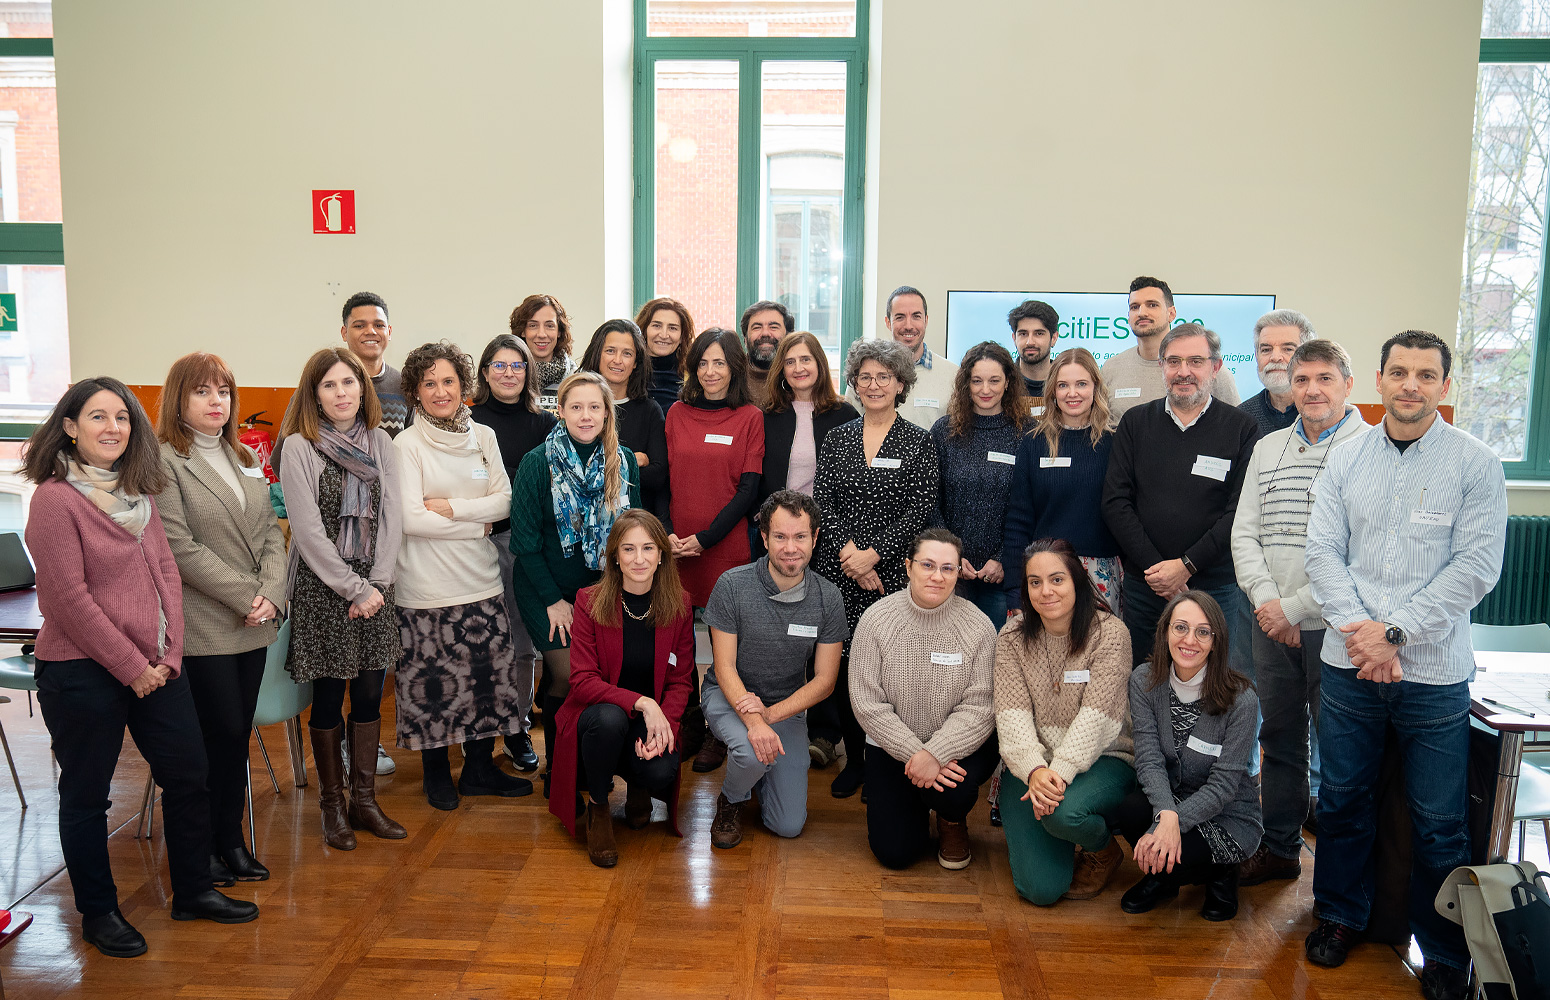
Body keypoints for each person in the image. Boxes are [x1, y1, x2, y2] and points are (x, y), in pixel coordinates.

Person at [1302, 330, 1508, 1000]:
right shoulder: (1346, 457)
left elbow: (1476, 568)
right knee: (1341, 801)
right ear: (1380, 382)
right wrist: (1365, 636)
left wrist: (1395, 633)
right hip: (1348, 665)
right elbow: (1323, 553)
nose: (1411, 385)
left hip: (1434, 673)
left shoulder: (1476, 463)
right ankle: (1338, 915)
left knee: (1439, 821)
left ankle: (1444, 951)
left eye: (1426, 374)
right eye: (1399, 372)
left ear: (1445, 386)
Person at [27, 377, 259, 959]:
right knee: (87, 797)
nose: (113, 428)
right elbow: (67, 601)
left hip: (157, 667)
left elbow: (165, 575)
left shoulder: (140, 493)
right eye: (98, 417)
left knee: (189, 774)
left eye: (123, 418)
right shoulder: (55, 500)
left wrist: (170, 653)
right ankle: (99, 913)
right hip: (82, 671)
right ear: (71, 427)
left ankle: (194, 892)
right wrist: (133, 665)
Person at [1230, 338, 1370, 886]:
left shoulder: (1370, 450)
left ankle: (1338, 879)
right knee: (1280, 741)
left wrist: (1291, 609)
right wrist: (1268, 605)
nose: (1311, 390)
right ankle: (1281, 849)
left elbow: (1361, 554)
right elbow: (1246, 533)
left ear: (1348, 384)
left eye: (1324, 379)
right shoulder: (1268, 449)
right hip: (1272, 626)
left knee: (1340, 752)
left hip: (1339, 629)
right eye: (1302, 379)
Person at [155, 353, 287, 886]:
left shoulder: (244, 457)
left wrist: (272, 593)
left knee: (235, 738)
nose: (217, 402)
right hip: (206, 623)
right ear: (178, 401)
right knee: (219, 733)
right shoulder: (164, 462)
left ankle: (231, 842)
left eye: (224, 392)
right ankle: (204, 847)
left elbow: (269, 536)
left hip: (255, 623)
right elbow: (179, 548)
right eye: (203, 392)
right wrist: (247, 595)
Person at [392, 341, 531, 809]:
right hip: (425, 588)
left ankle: (478, 769)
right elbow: (411, 520)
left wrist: (451, 510)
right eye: (428, 383)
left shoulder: (483, 436)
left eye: (448, 380)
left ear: (463, 386)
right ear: (414, 390)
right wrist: (477, 525)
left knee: (484, 685)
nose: (439, 390)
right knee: (433, 690)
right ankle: (436, 775)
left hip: (482, 581)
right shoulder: (405, 445)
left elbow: (505, 501)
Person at [278, 348, 407, 851]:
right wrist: (353, 589)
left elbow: (393, 517)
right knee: (329, 698)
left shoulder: (381, 441)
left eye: (349, 384)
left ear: (363, 389)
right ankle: (333, 806)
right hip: (323, 588)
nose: (341, 394)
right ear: (314, 394)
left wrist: (376, 585)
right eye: (329, 386)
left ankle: (365, 800)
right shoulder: (299, 446)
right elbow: (307, 533)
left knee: (372, 695)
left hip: (375, 587)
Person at [813, 338, 940, 798]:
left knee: (887, 672)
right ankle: (855, 760)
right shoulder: (838, 437)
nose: (873, 385)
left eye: (883, 377)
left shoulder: (918, 442)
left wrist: (874, 556)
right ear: (854, 382)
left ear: (901, 383)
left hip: (889, 574)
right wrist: (851, 554)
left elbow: (920, 509)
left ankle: (886, 759)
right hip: (838, 569)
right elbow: (822, 499)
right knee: (846, 668)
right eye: (864, 377)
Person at [509, 370, 641, 793]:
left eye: (595, 407)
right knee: (566, 675)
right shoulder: (536, 463)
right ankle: (559, 770)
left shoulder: (622, 461)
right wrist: (553, 600)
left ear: (608, 413)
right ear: (561, 411)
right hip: (543, 587)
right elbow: (525, 544)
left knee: (604, 674)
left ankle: (594, 763)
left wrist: (613, 593)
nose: (586, 416)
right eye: (576, 407)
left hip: (602, 590)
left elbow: (632, 534)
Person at [1101, 323, 1259, 673]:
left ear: (1216, 368)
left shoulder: (1242, 427)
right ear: (1162, 368)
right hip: (1147, 586)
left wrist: (1185, 566)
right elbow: (1115, 501)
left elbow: (1240, 511)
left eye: (1195, 361)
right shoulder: (1135, 422)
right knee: (1145, 678)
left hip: (1215, 585)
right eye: (1173, 361)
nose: (1183, 371)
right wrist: (1158, 570)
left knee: (1216, 682)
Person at [549, 510, 696, 867]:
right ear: (615, 555)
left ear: (662, 554)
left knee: (661, 769)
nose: (639, 559)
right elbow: (583, 682)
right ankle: (599, 807)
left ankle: (640, 785)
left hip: (648, 719)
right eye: (628, 549)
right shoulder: (589, 600)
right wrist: (645, 703)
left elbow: (680, 682)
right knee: (610, 719)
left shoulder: (679, 605)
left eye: (648, 548)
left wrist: (665, 728)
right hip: (596, 714)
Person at [703, 491, 848, 848]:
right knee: (752, 753)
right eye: (780, 537)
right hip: (728, 695)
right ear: (764, 538)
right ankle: (732, 799)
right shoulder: (732, 585)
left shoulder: (828, 598)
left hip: (785, 707)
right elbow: (722, 667)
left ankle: (757, 771)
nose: (790, 548)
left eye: (800, 537)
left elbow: (826, 681)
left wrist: (769, 716)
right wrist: (754, 722)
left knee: (788, 825)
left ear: (815, 538)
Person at [995, 538, 1134, 904]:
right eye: (1034, 582)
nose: (1046, 591)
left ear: (1077, 580)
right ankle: (1059, 836)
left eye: (1057, 579)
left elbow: (1098, 720)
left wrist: (1057, 775)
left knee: (1064, 815)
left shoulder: (1110, 634)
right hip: (1031, 765)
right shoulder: (1011, 637)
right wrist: (1035, 771)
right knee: (1041, 890)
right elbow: (1011, 716)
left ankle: (1104, 850)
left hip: (1104, 759)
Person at [850, 529, 998, 870]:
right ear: (908, 567)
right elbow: (867, 703)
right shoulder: (875, 621)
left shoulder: (978, 626)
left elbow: (980, 706)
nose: (937, 576)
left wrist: (937, 753)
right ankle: (916, 800)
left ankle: (950, 819)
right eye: (927, 565)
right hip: (893, 746)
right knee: (896, 854)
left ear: (959, 572)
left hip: (959, 746)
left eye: (948, 568)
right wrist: (915, 754)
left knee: (952, 792)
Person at [1111, 591, 1261, 922]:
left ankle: (1221, 873)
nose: (1189, 640)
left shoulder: (1242, 700)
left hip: (1228, 815)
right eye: (1180, 628)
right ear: (1165, 632)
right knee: (1131, 811)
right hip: (1174, 801)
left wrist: (1172, 821)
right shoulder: (1145, 681)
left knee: (1175, 850)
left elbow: (1224, 786)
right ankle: (1164, 880)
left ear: (1216, 640)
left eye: (1202, 631)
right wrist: (1166, 813)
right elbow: (1149, 759)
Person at [662, 327, 767, 772]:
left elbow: (748, 491)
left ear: (734, 368)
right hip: (675, 549)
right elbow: (665, 483)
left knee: (727, 647)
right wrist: (667, 533)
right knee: (678, 643)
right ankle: (686, 724)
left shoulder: (749, 418)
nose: (710, 371)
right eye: (702, 362)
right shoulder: (676, 413)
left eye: (719, 362)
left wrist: (705, 539)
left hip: (724, 548)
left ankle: (722, 732)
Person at [469, 333, 554, 773]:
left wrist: (503, 484)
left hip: (522, 544)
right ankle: (480, 727)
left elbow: (546, 484)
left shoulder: (544, 423)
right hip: (471, 544)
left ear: (529, 372)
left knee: (522, 643)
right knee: (478, 641)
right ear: (485, 372)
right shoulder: (466, 421)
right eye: (498, 365)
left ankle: (516, 728)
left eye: (517, 366)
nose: (508, 373)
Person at [1003, 349, 1123, 617]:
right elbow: (1018, 521)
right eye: (1063, 385)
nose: (1072, 393)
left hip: (1100, 573)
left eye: (1081, 384)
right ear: (1052, 392)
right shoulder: (1033, 443)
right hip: (1045, 574)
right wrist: (1014, 588)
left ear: (1096, 387)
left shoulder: (1115, 443)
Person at [930, 341, 1034, 623]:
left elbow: (1032, 504)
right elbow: (930, 501)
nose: (985, 390)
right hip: (950, 572)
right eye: (976, 381)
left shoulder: (1027, 433)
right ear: (966, 384)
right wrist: (951, 555)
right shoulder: (945, 431)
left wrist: (1003, 559)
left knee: (995, 657)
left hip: (1003, 576)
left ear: (1009, 382)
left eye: (994, 380)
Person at [754, 330, 858, 567]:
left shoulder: (844, 415)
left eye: (805, 359)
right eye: (790, 362)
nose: (798, 368)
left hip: (829, 533)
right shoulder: (767, 416)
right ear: (782, 370)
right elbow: (756, 474)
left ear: (819, 364)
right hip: (778, 531)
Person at [1101, 277, 1240, 420]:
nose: (1142, 312)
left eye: (1152, 305)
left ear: (1171, 313)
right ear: (1128, 317)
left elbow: (1235, 424)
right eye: (1134, 307)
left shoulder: (1208, 369)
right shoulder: (1111, 368)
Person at [579, 318, 669, 520]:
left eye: (627, 353)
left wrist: (600, 467)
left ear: (636, 362)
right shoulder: (579, 405)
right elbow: (571, 470)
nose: (617, 360)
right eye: (610, 351)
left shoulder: (650, 410)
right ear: (598, 354)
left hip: (635, 524)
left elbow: (657, 476)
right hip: (582, 522)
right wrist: (632, 461)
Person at [848, 285, 957, 430]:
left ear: (926, 320)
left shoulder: (953, 374)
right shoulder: (865, 377)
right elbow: (851, 427)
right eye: (900, 317)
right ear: (888, 322)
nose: (908, 325)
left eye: (916, 316)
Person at [340, 290, 414, 437]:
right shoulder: (323, 382)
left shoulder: (403, 385)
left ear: (389, 331)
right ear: (344, 333)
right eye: (360, 326)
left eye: (379, 325)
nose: (371, 331)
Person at [1239, 309, 1315, 436]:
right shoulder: (1242, 418)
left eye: (1288, 349)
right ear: (1256, 356)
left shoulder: (1330, 414)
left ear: (1310, 356)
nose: (1275, 357)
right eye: (1266, 349)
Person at [511, 293, 577, 412]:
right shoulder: (509, 375)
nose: (541, 334)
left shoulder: (575, 379)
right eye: (533, 325)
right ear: (522, 331)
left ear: (559, 331)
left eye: (549, 326)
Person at [636, 296, 694, 414]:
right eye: (656, 325)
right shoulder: (628, 369)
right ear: (644, 330)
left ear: (682, 336)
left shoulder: (694, 375)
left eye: (672, 328)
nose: (663, 334)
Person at [739, 299, 793, 406]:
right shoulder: (732, 378)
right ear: (745, 339)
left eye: (773, 327)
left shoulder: (800, 377)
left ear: (789, 336)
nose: (765, 333)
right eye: (757, 327)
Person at [1007, 299, 1060, 401]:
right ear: (1014, 338)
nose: (1030, 342)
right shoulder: (1003, 382)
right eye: (1023, 334)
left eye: (1039, 333)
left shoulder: (1067, 384)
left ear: (1054, 338)